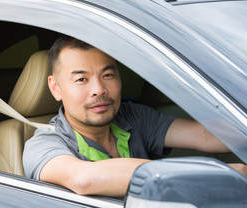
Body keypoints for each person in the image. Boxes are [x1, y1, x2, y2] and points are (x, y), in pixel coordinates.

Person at [23, 35, 247, 197]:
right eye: (81, 79)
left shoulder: (131, 116)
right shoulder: (43, 144)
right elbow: (85, 179)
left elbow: (205, 135)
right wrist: (215, 175)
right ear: (56, 88)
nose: (99, 89)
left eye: (108, 74)